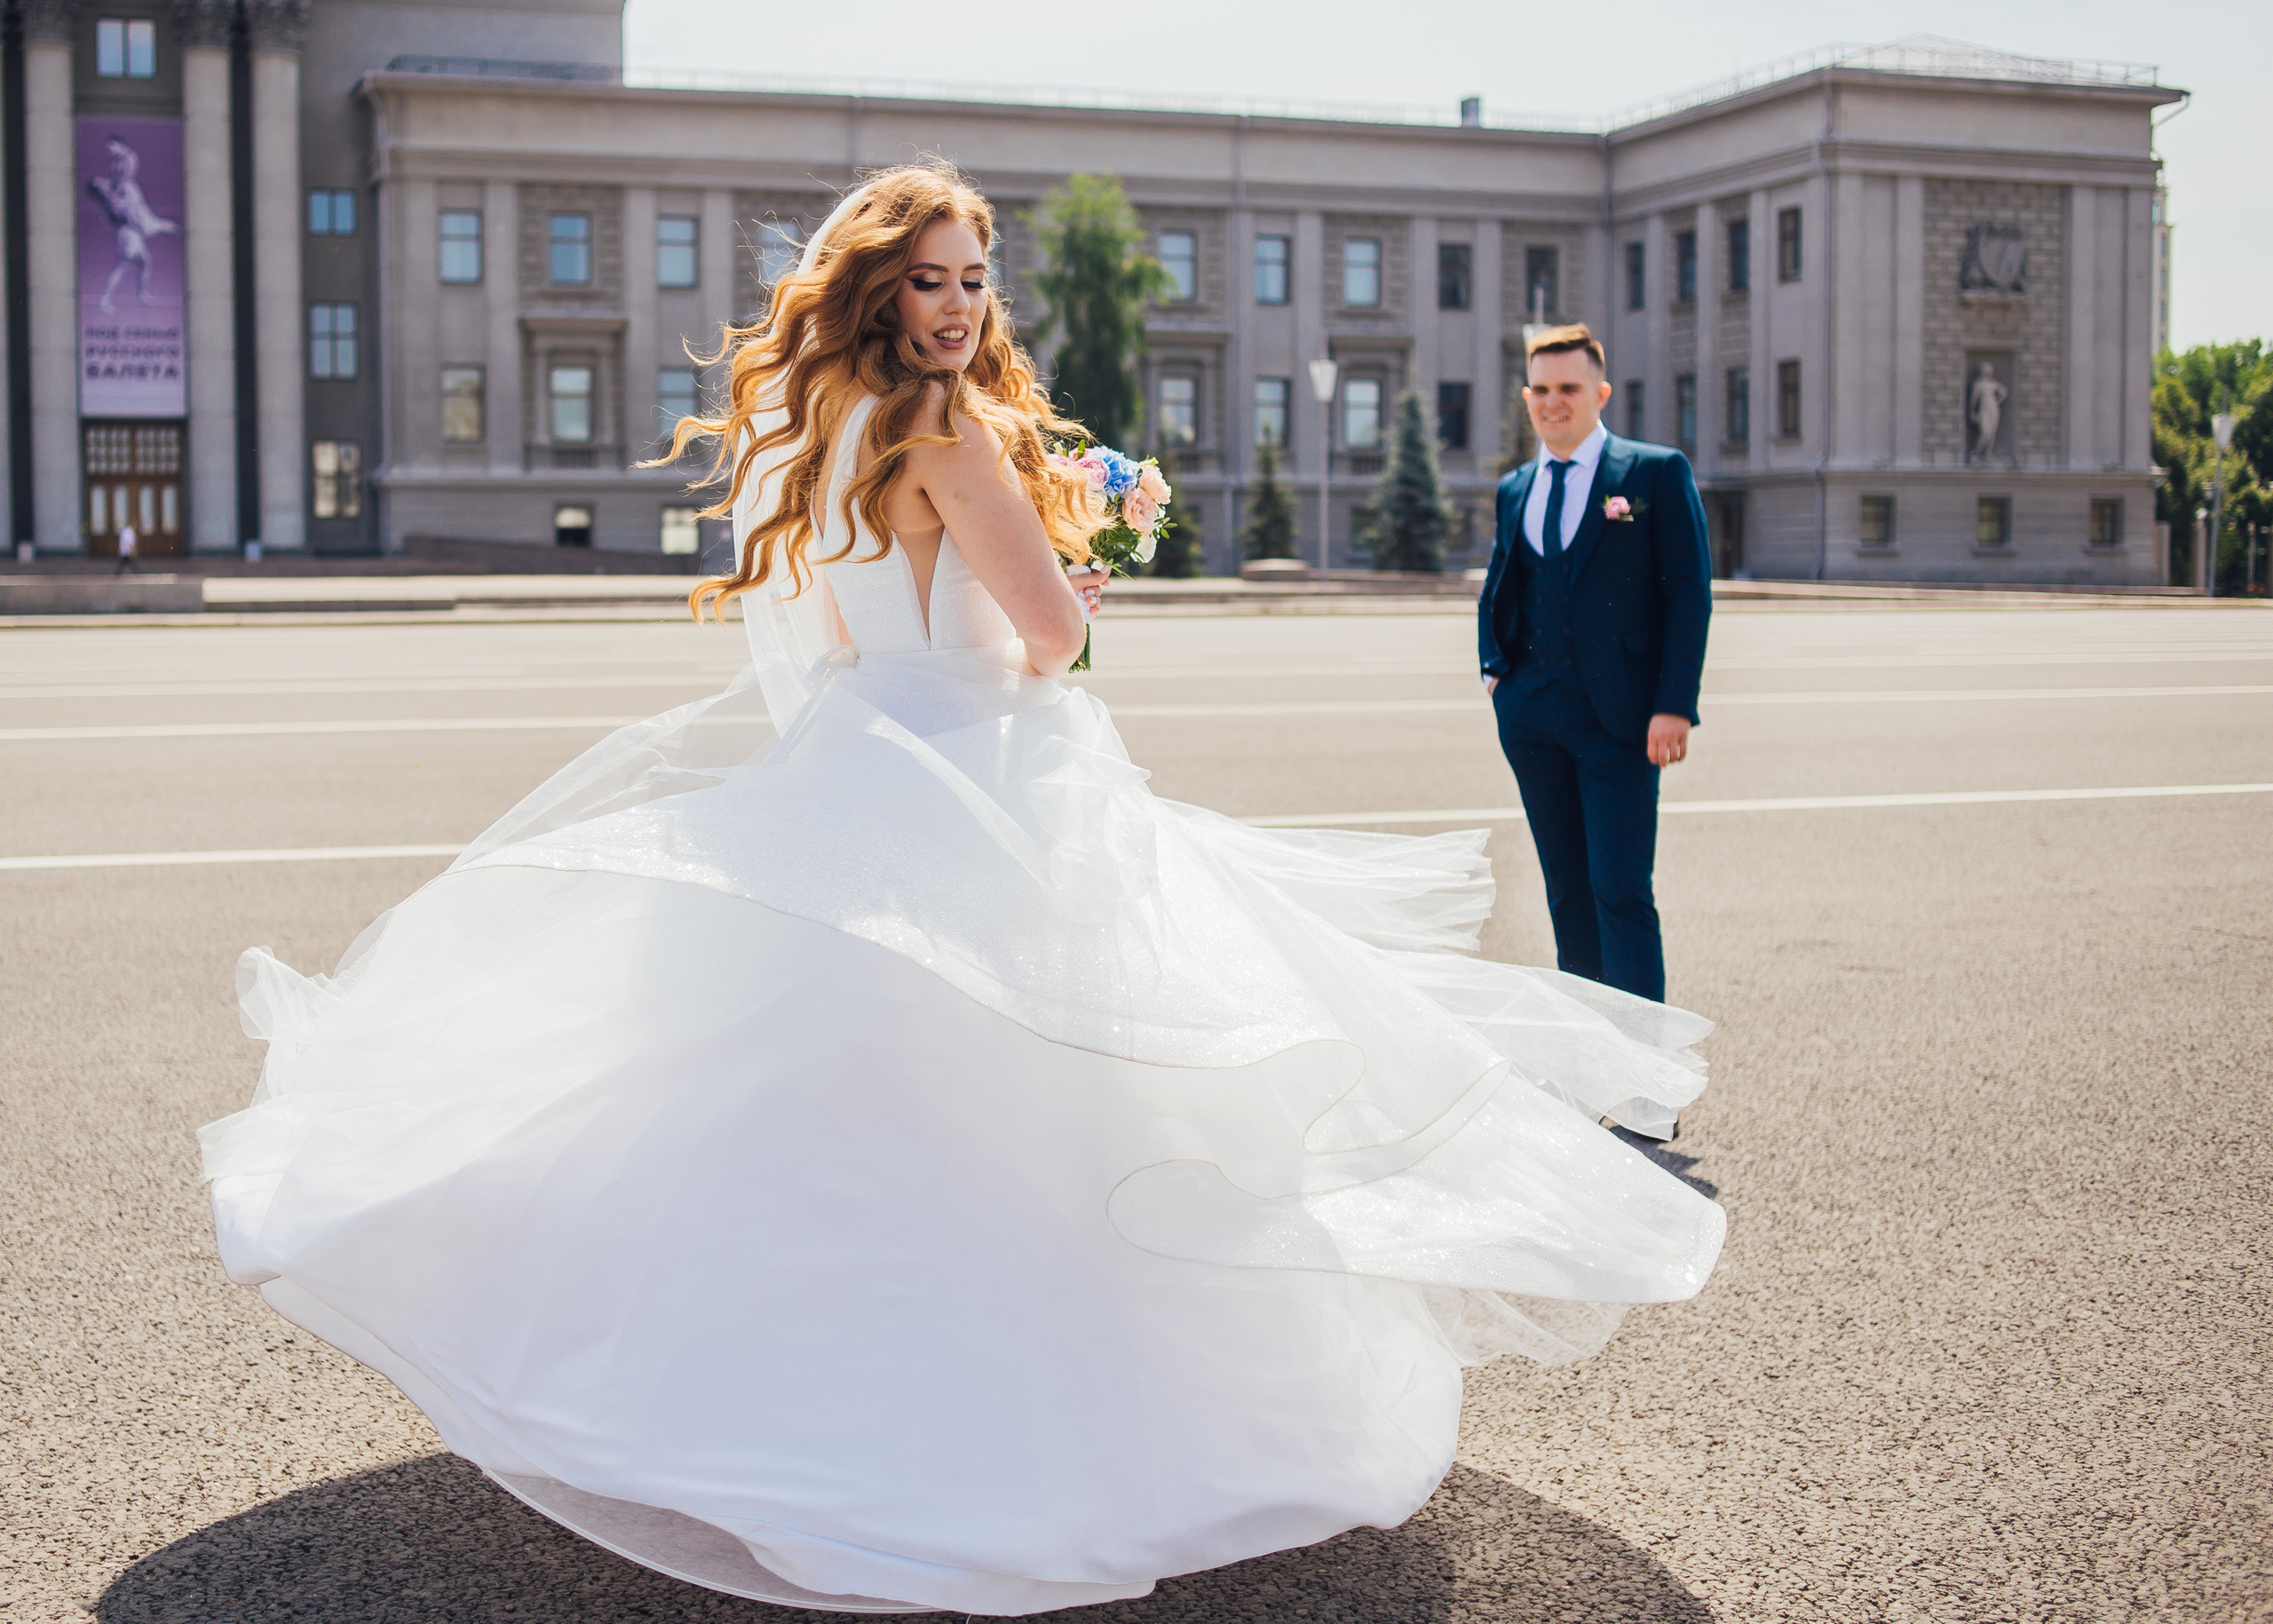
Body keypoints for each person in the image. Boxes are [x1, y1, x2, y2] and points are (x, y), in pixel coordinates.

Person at [202, 167, 1724, 1617]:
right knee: (1051, 1116)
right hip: (994, 781)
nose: (955, 305)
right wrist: (1096, 544)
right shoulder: (944, 429)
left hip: (859, 772)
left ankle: (772, 1404)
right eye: (929, 279)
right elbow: (1050, 638)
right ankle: (1023, 1434)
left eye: (973, 280)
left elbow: (852, 641)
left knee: (812, 1112)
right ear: (878, 287)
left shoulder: (819, 422)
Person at [1478, 326, 1712, 1028]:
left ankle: (1646, 1078)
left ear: (1600, 393)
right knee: (1567, 895)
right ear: (1528, 397)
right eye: (1541, 390)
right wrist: (1497, 676)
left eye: (1568, 389)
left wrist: (1674, 703)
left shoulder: (1652, 473)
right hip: (1535, 722)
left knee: (1619, 891)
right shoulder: (1516, 486)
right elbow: (1501, 586)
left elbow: (1687, 590)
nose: (1553, 402)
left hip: (1624, 722)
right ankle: (1590, 1060)